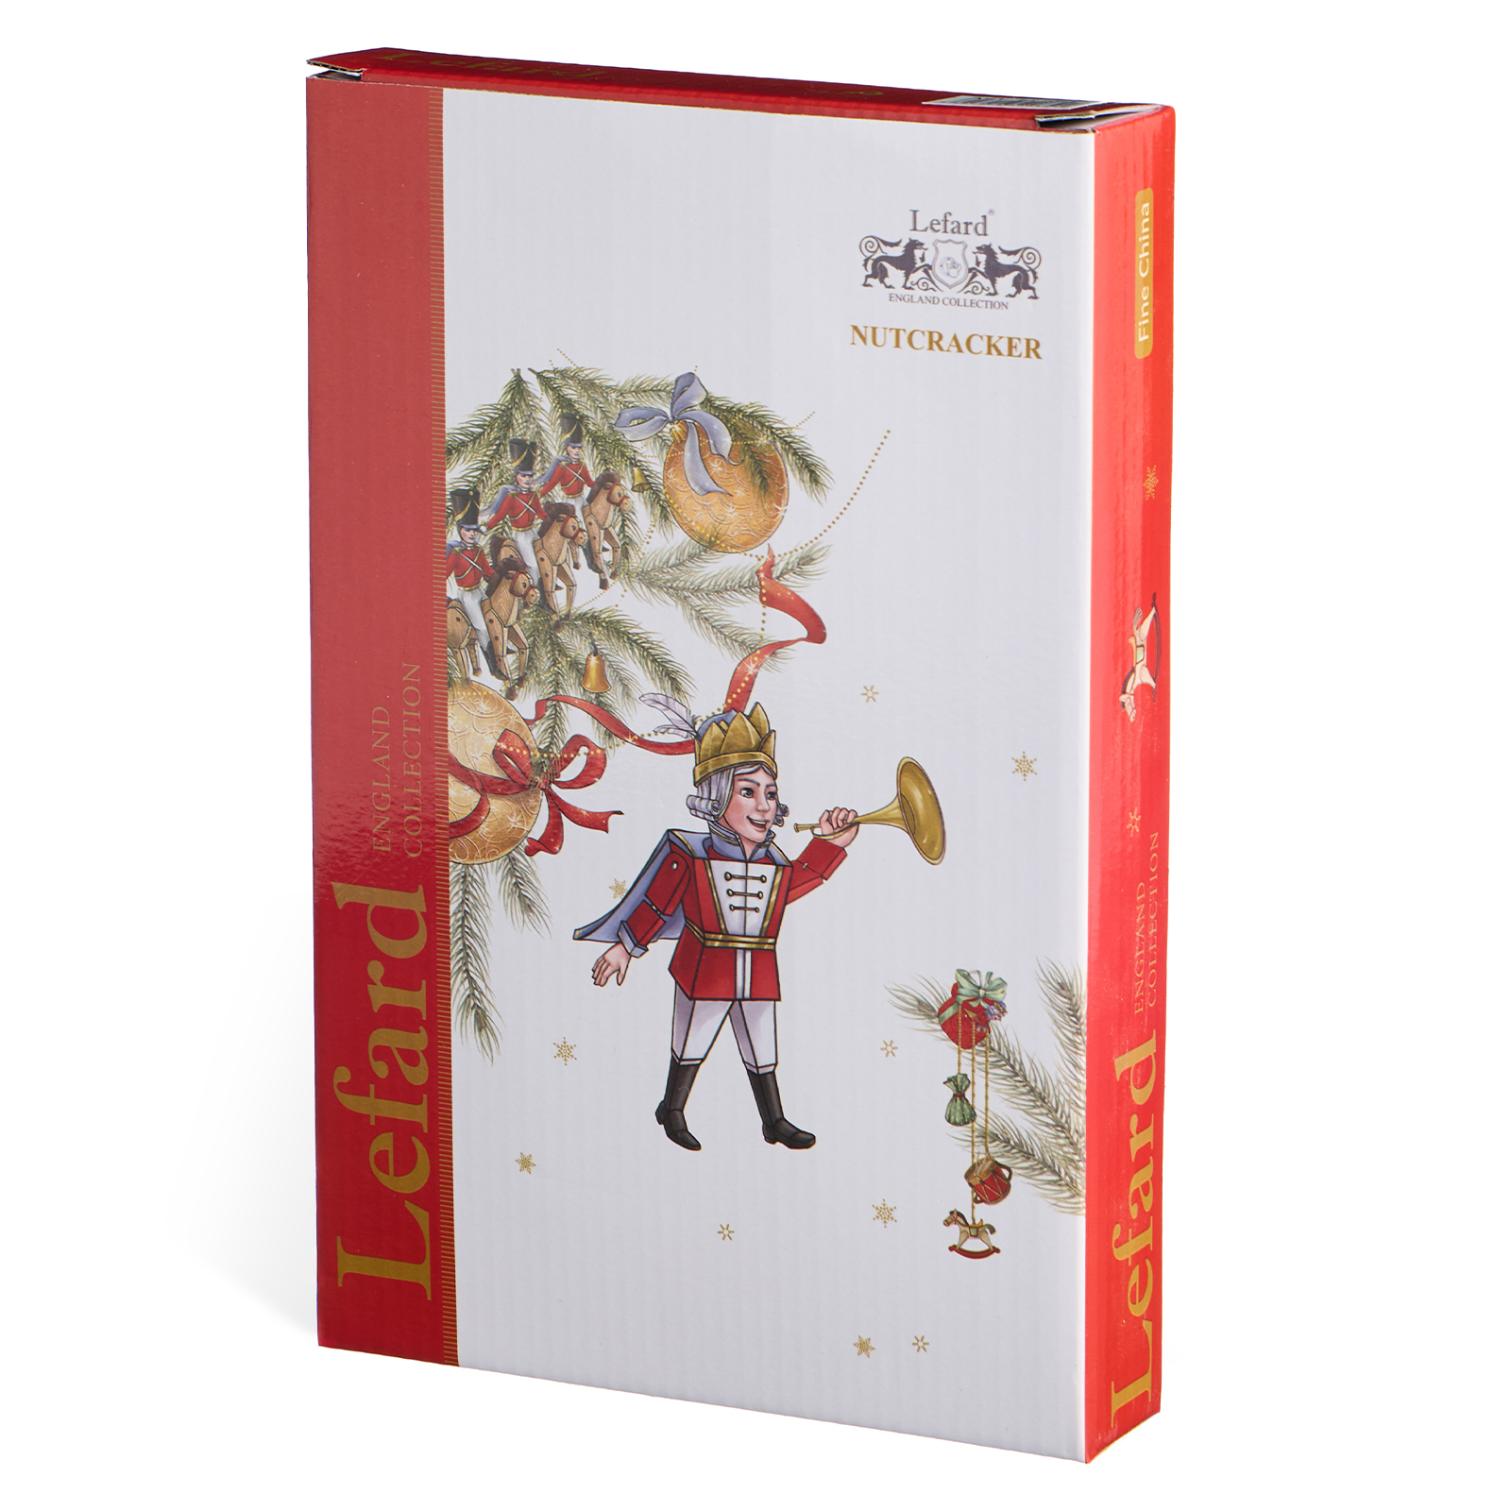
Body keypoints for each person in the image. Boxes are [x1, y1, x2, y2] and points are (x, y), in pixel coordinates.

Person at [575, 699, 858, 1151]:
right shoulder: (691, 853)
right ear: (716, 797)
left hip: (759, 970)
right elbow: (657, 903)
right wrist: (626, 945)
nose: (764, 805)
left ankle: (774, 1120)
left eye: (770, 793)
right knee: (691, 1041)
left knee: (762, 1048)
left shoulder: (774, 860)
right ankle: (672, 1109)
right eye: (748, 791)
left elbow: (796, 885)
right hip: (704, 966)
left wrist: (832, 844)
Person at [444, 487, 502, 679]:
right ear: (460, 531)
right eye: (467, 530)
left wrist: (501, 575)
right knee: (483, 628)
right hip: (467, 595)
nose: (471, 534)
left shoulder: (478, 551)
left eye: (474, 530)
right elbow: (443, 574)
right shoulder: (456, 554)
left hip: (479, 591)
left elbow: (487, 571)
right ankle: (493, 664)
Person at [483, 439, 545, 570]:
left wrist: (553, 519)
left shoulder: (533, 495)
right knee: (533, 564)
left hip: (532, 532)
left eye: (529, 476)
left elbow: (540, 513)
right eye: (523, 476)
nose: (527, 479)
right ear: (517, 477)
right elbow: (500, 516)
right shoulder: (511, 497)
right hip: (520, 535)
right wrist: (487, 526)